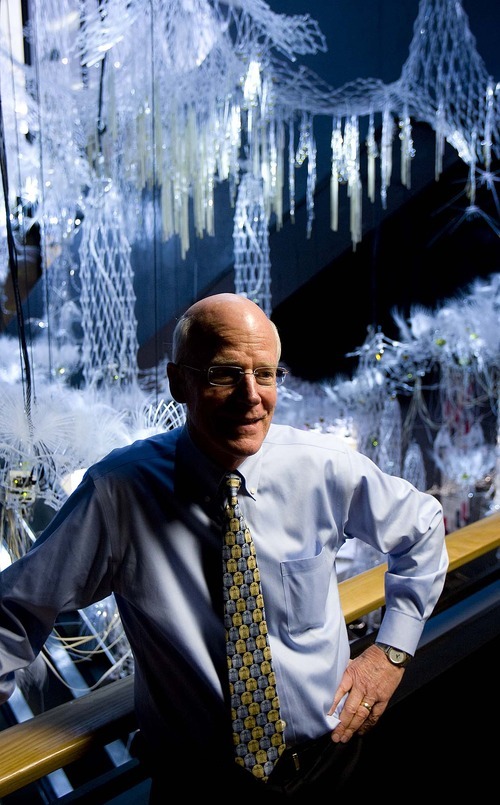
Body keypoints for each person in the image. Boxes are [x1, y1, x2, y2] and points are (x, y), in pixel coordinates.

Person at [0, 292, 448, 801]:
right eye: (224, 373)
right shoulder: (117, 494)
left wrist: (389, 654)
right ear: (178, 383)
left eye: (266, 374)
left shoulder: (323, 468)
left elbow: (424, 527)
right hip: (199, 789)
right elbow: (12, 614)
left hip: (332, 764)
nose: (251, 395)